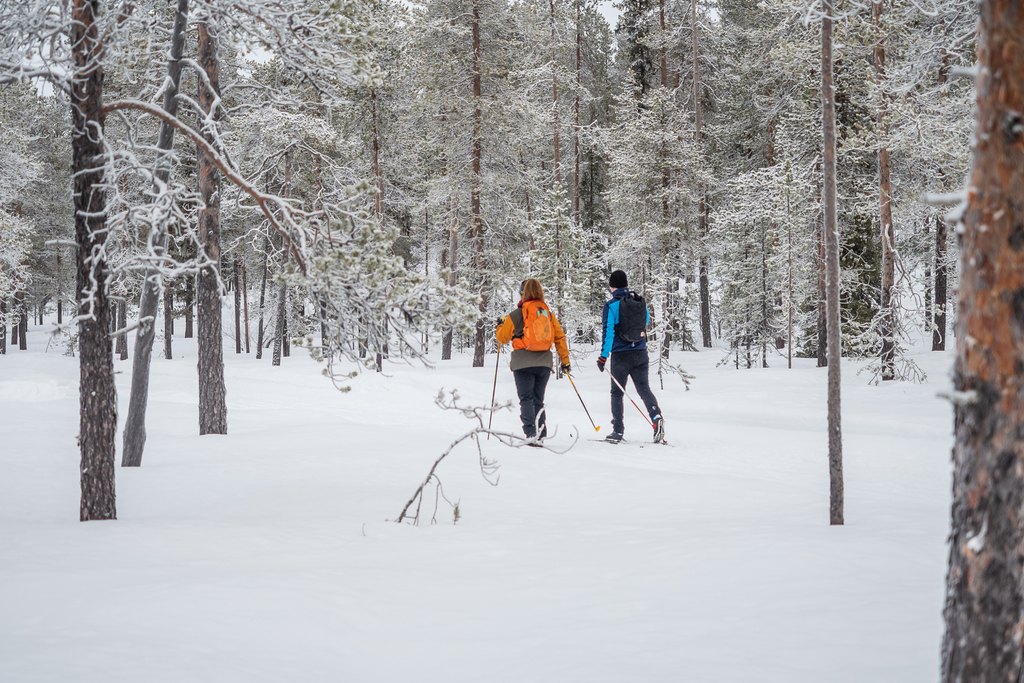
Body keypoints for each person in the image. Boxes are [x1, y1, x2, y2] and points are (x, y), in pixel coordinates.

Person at [495, 279, 571, 445]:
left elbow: (502, 337)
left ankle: (531, 434)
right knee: (538, 399)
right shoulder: (547, 314)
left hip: (523, 363)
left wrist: (500, 326)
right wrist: (565, 361)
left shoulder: (516, 314)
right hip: (544, 363)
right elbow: (559, 337)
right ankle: (541, 434)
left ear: (522, 292)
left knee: (526, 398)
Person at [596, 270, 664, 444]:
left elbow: (608, 332)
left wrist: (603, 357)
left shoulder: (611, 306)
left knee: (617, 393)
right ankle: (656, 417)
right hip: (640, 353)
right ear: (626, 284)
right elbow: (645, 322)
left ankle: (618, 431)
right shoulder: (639, 303)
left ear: (612, 286)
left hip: (620, 356)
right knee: (644, 389)